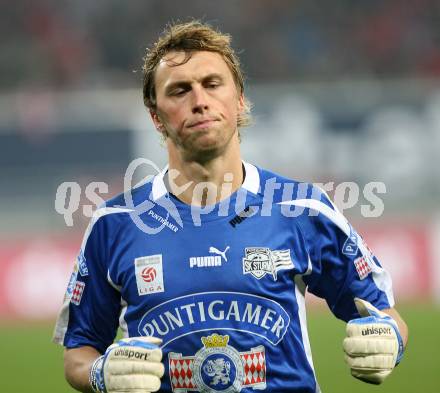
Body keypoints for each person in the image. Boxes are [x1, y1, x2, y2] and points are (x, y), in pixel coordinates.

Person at [53, 20, 408, 393]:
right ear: (156, 117)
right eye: (179, 90)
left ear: (239, 99)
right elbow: (79, 353)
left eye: (211, 84)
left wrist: (388, 342)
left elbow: (385, 317)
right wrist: (100, 374)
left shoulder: (302, 210)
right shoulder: (115, 224)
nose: (199, 100)